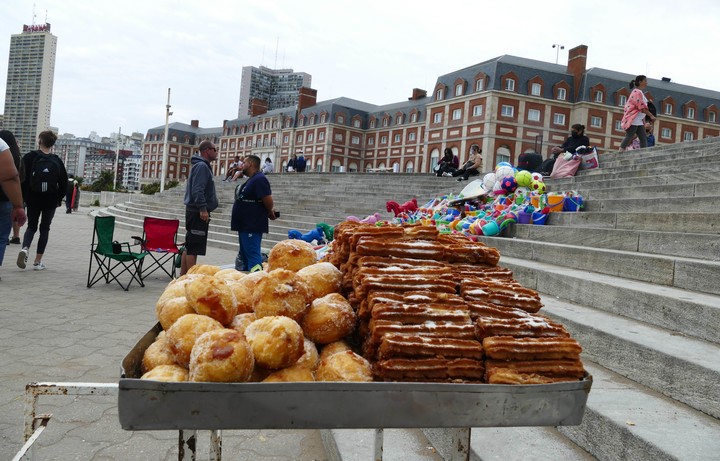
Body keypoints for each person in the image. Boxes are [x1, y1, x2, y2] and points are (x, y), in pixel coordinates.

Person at [17, 130, 67, 271]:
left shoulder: (30, 157)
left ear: (40, 141)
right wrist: (58, 199)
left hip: (33, 198)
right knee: (45, 228)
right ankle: (37, 262)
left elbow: (21, 178)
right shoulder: (56, 161)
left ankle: (25, 248)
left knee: (31, 226)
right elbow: (64, 183)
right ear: (52, 144)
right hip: (50, 200)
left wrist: (24, 197)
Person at [231, 155, 277, 272]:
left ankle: (256, 281)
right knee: (246, 256)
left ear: (251, 164)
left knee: (252, 255)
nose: (242, 165)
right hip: (244, 225)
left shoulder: (260, 179)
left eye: (244, 162)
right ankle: (248, 281)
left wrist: (270, 211)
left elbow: (268, 200)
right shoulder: (252, 179)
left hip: (252, 224)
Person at [180, 140, 219, 276]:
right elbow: (198, 189)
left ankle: (183, 277)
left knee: (190, 245)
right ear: (207, 150)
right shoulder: (202, 166)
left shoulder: (201, 165)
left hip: (194, 211)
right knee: (194, 247)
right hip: (197, 212)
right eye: (215, 149)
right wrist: (203, 209)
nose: (216, 152)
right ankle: (191, 278)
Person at [0, 131, 27, 279]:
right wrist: (18, 205)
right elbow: (11, 177)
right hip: (5, 200)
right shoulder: (5, 149)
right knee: (1, 236)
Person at [620, 75, 656, 151]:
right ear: (640, 82)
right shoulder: (637, 92)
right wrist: (651, 115)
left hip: (638, 120)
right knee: (629, 136)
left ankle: (643, 154)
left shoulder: (640, 92)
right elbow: (641, 107)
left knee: (643, 138)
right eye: (645, 81)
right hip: (634, 119)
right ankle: (619, 152)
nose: (647, 83)